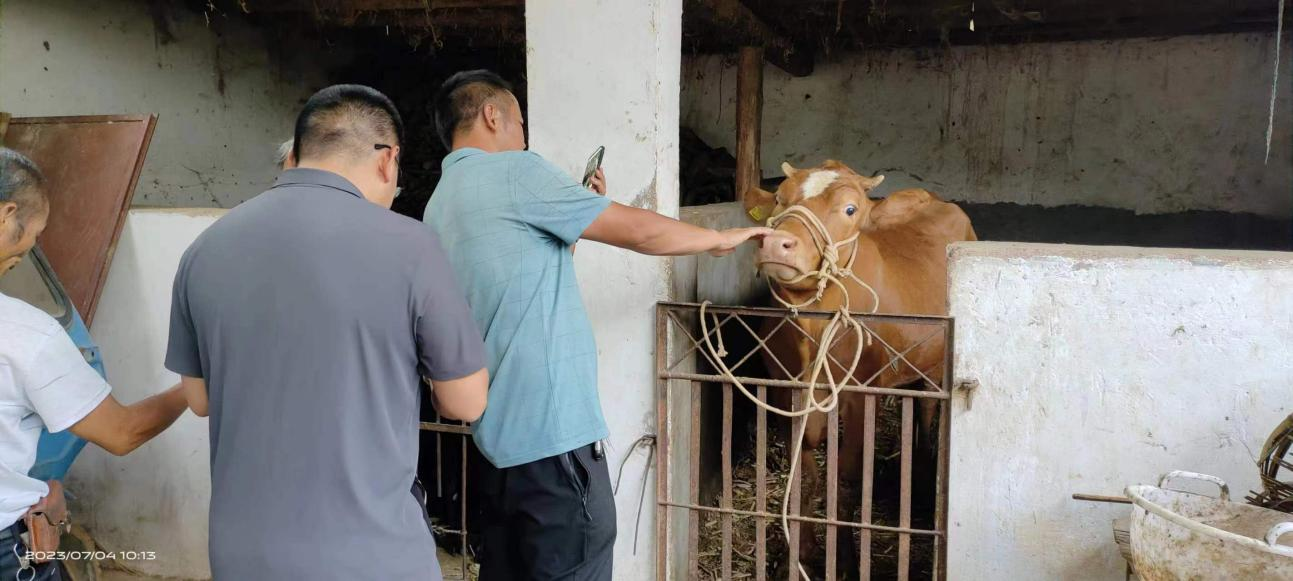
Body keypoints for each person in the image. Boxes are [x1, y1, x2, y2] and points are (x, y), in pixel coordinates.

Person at [424, 70, 772, 581]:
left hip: (495, 447)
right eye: (520, 123)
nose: (523, 136)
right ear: (492, 116)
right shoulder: (517, 172)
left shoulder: (440, 202)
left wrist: (576, 207)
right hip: (553, 440)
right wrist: (715, 240)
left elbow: (515, 271)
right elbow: (638, 232)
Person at [166, 85, 489, 580]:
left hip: (241, 555)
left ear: (295, 156)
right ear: (389, 160)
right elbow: (466, 402)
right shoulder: (411, 246)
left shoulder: (204, 251)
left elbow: (199, 398)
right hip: (371, 556)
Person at [0, 148, 190, 580]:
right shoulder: (26, 334)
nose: (31, 247)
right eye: (36, 232)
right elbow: (122, 433)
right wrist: (193, 387)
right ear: (7, 214)